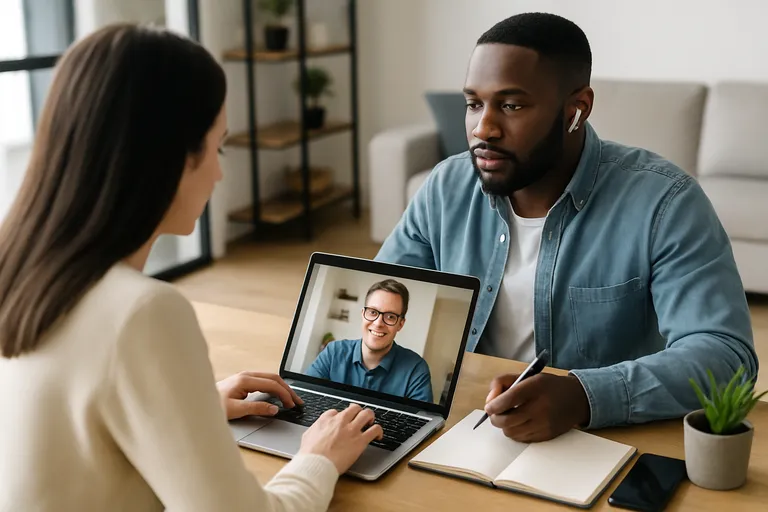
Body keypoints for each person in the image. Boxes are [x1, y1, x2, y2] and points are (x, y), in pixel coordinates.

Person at [0, 24, 383, 512]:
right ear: (171, 156)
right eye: (217, 147)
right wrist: (319, 457)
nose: (221, 173)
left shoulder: (18, 269)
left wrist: (191, 406)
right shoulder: (142, 312)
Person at [375, 13, 757, 442]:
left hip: (602, 440)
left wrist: (584, 396)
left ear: (577, 109)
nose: (483, 128)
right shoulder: (446, 186)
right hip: (467, 425)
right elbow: (380, 296)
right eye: (474, 104)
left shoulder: (665, 202)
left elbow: (726, 357)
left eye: (512, 105)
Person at [306, 279, 433, 402]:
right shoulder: (333, 352)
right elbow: (305, 398)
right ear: (363, 314)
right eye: (373, 312)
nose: (378, 323)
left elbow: (420, 419)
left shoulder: (416, 369)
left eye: (390, 316)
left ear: (400, 324)